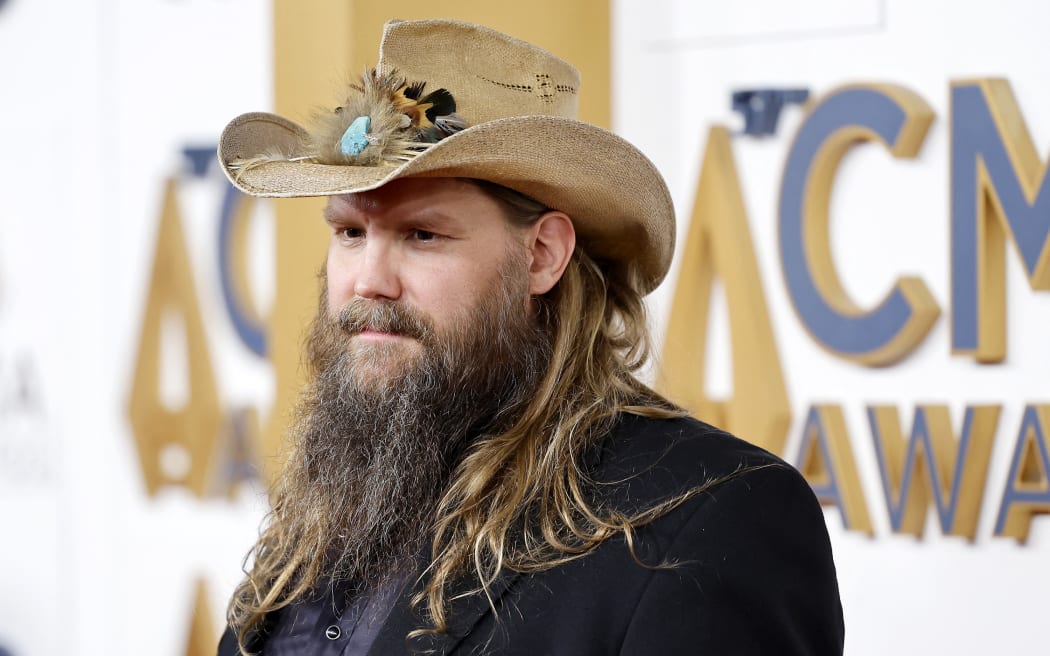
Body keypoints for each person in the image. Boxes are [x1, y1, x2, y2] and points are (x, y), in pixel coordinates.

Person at [216, 18, 844, 656]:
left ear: (543, 255)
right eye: (350, 232)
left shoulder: (712, 517)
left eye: (422, 235)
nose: (368, 282)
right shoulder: (332, 502)